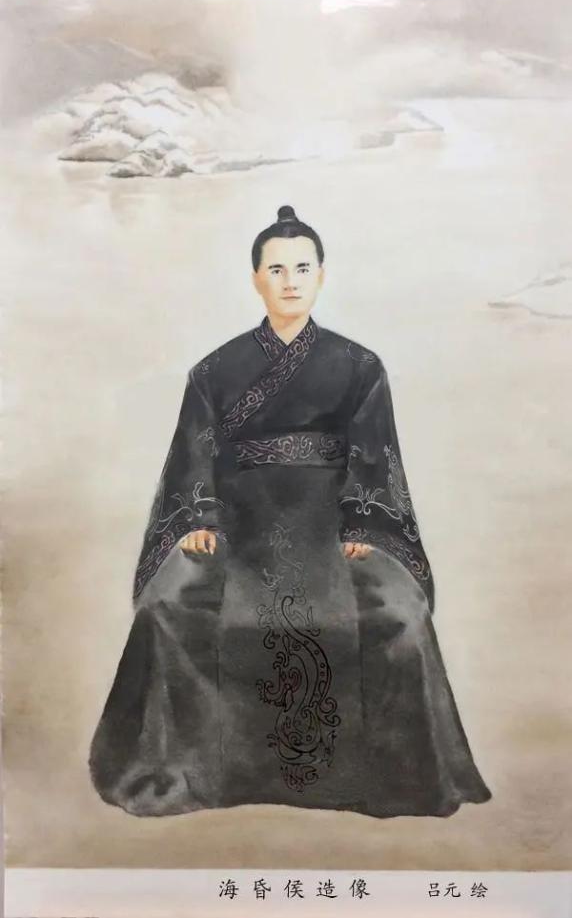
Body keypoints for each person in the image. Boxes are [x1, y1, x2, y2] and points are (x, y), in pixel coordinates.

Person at [89, 205, 492, 818]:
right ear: (256, 278)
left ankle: (396, 778)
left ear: (321, 275)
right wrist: (198, 519)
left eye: (302, 268)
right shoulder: (214, 370)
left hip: (333, 520)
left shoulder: (360, 366)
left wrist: (364, 522)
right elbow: (194, 452)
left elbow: (374, 453)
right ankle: (198, 769)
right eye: (276, 270)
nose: (290, 281)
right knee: (167, 607)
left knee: (399, 616)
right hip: (239, 520)